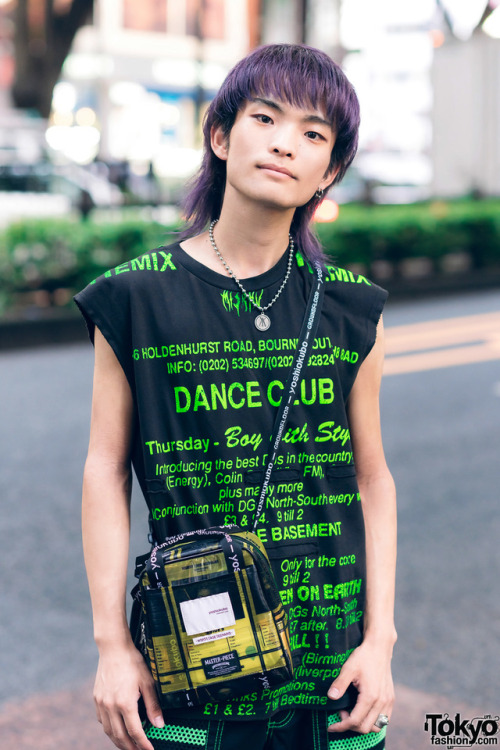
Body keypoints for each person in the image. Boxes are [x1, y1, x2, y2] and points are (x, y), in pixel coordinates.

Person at [75, 43, 397, 750]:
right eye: (265, 117)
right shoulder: (136, 297)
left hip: (329, 659)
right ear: (221, 136)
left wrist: (381, 640)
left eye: (314, 133)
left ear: (330, 170)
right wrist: (111, 645)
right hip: (192, 656)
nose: (286, 142)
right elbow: (105, 468)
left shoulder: (350, 309)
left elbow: (371, 478)